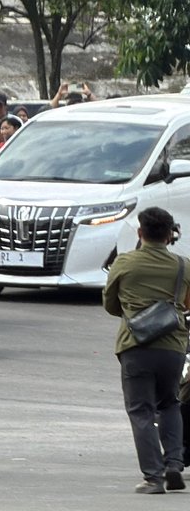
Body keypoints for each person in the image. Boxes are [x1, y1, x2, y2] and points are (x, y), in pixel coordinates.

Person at [103, 207, 189, 494]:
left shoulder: (125, 263)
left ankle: (154, 477)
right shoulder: (183, 265)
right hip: (173, 346)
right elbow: (187, 305)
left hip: (136, 345)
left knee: (141, 410)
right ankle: (174, 465)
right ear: (170, 234)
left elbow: (110, 305)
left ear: (140, 233)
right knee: (170, 403)